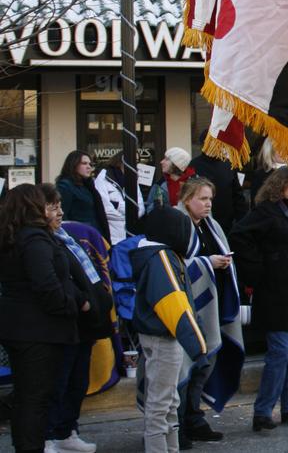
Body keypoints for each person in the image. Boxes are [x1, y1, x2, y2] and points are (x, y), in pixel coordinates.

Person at [0, 184, 88, 453]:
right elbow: (47, 285)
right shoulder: (34, 239)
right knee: (35, 399)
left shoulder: (14, 237)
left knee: (29, 397)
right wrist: (73, 304)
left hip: (23, 327)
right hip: (39, 331)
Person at [230, 167, 288, 432]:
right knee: (280, 352)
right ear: (280, 186)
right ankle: (263, 412)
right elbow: (239, 236)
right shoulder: (266, 211)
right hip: (275, 292)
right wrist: (258, 270)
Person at [40, 184, 113, 453]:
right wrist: (82, 300)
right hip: (67, 321)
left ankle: (67, 430)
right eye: (53, 207)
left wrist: (98, 300)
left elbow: (87, 270)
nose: (59, 212)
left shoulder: (65, 236)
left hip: (86, 321)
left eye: (60, 206)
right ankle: (49, 435)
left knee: (77, 380)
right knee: (59, 381)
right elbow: (58, 279)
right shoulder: (42, 240)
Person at [131, 206, 208, 453]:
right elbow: (173, 303)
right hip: (164, 336)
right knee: (161, 403)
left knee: (168, 400)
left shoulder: (154, 255)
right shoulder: (161, 258)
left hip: (156, 335)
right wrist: (198, 345)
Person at [173, 178, 242, 448]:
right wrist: (206, 263)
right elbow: (171, 264)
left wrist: (224, 262)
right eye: (203, 198)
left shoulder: (212, 226)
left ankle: (194, 418)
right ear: (187, 199)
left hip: (210, 307)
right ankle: (175, 423)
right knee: (183, 366)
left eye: (210, 199)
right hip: (183, 309)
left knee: (204, 364)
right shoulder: (175, 223)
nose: (208, 204)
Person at [189, 131, 249, 232]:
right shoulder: (194, 165)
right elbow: (188, 195)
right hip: (201, 224)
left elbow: (237, 196)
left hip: (227, 225)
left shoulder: (228, 165)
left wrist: (242, 222)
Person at [56, 151, 111, 244]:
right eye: (84, 163)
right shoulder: (65, 186)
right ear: (73, 164)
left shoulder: (87, 185)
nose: (89, 167)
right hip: (80, 237)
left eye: (90, 164)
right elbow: (63, 215)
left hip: (94, 235)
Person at [93, 152, 144, 245]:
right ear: (123, 160)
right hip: (112, 236)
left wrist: (118, 206)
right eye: (133, 160)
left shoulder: (133, 179)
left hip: (131, 235)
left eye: (137, 161)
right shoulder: (104, 177)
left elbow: (140, 207)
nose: (135, 163)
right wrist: (127, 215)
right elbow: (103, 207)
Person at [248, 138, 286, 207]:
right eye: (279, 148)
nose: (283, 151)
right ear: (270, 150)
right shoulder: (261, 174)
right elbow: (256, 204)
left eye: (286, 148)